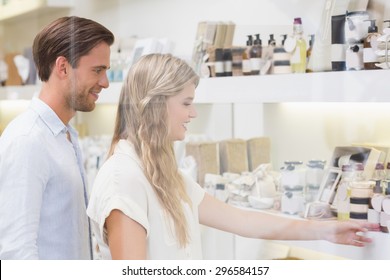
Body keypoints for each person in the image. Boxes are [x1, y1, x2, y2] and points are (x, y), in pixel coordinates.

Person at [86, 53, 379, 260]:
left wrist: (323, 231)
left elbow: (243, 221)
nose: (193, 113)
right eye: (186, 103)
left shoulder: (164, 175)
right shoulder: (124, 179)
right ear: (154, 105)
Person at [0, 16, 114, 259]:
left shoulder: (65, 136)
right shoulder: (28, 141)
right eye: (97, 70)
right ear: (62, 67)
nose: (105, 83)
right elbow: (16, 254)